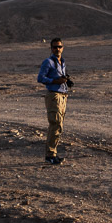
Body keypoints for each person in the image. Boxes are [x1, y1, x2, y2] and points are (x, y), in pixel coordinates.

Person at [36, 37, 72, 165]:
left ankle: (53, 154)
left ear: (63, 48)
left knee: (59, 126)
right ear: (51, 49)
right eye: (55, 47)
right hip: (53, 96)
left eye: (59, 47)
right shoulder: (48, 62)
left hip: (63, 95)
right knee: (55, 124)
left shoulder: (62, 61)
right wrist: (55, 81)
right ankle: (50, 155)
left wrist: (65, 81)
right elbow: (40, 78)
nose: (57, 49)